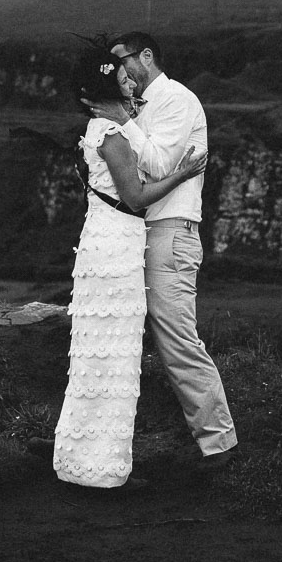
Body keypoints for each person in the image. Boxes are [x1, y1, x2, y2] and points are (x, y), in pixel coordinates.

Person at [53, 38, 207, 489]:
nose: (129, 80)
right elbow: (136, 195)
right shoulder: (112, 131)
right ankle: (101, 467)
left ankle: (83, 458)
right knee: (113, 356)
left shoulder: (109, 125)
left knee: (98, 353)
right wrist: (184, 173)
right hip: (117, 243)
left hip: (111, 238)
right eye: (120, 77)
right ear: (107, 87)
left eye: (128, 71)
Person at [106, 31, 238, 470]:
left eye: (122, 60)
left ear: (147, 56)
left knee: (177, 338)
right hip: (142, 231)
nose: (118, 70)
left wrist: (121, 122)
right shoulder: (136, 106)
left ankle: (221, 446)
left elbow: (161, 164)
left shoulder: (178, 100)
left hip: (171, 232)